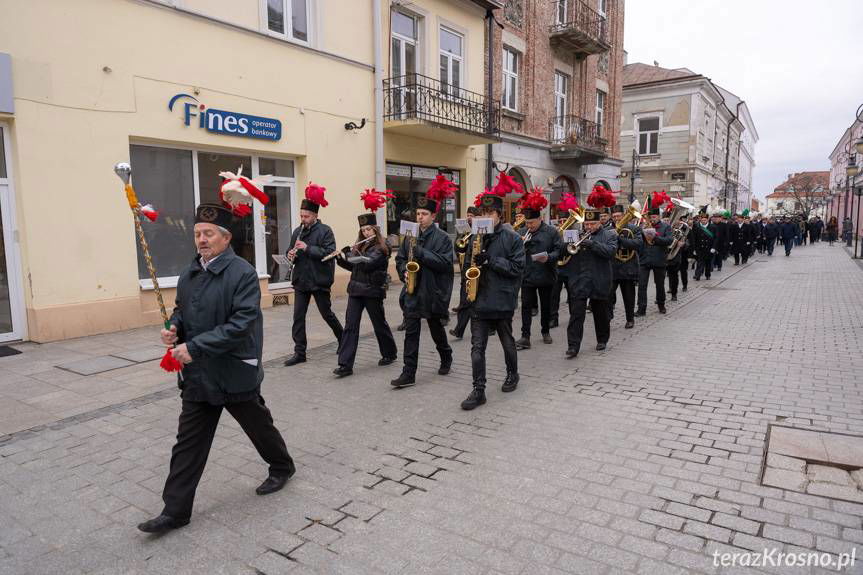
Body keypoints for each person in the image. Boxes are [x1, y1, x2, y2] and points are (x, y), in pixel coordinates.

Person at [138, 203, 295, 534]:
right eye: (197, 233)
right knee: (188, 443)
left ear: (225, 238)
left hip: (233, 371)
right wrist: (174, 328)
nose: (201, 239)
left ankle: (281, 466)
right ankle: (175, 511)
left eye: (208, 233)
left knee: (258, 426)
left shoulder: (242, 273)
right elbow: (182, 310)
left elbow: (241, 324)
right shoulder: (191, 271)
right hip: (198, 376)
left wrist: (193, 347)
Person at [460, 189, 525, 410]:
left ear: (499, 215)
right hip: (479, 299)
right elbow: (467, 267)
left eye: (490, 212)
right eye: (482, 212)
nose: (485, 216)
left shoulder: (513, 238)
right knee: (477, 347)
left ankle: (512, 374)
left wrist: (491, 260)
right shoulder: (475, 236)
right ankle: (479, 390)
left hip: (502, 299)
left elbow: (517, 268)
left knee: (507, 341)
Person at [391, 175, 455, 388]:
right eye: (417, 213)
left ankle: (446, 356)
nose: (419, 217)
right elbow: (400, 258)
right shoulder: (409, 235)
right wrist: (403, 272)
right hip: (413, 291)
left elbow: (445, 264)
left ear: (433, 216)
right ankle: (408, 373)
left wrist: (421, 252)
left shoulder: (444, 238)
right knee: (411, 333)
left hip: (433, 292)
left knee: (436, 329)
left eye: (424, 214)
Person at [333, 190, 398, 377]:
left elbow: (368, 264)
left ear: (375, 230)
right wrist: (341, 258)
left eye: (369, 229)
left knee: (379, 323)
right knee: (350, 326)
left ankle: (389, 352)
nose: (365, 232)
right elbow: (354, 268)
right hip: (356, 289)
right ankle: (345, 365)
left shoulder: (382, 247)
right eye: (363, 230)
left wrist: (354, 255)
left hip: (372, 290)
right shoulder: (359, 245)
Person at [283, 183, 344, 367]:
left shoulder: (325, 231)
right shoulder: (297, 231)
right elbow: (289, 251)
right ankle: (299, 352)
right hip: (301, 279)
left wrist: (308, 248)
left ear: (315, 215)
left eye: (306, 216)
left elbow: (329, 253)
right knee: (298, 317)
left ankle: (343, 338)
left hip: (319, 279)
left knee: (327, 314)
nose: (303, 219)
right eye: (301, 216)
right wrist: (289, 254)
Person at [562, 208, 617, 358]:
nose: (589, 227)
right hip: (580, 280)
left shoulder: (609, 235)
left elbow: (610, 252)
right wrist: (566, 242)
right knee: (576, 315)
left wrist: (592, 245)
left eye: (593, 224)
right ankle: (573, 346)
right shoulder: (576, 234)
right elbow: (564, 251)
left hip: (599, 279)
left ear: (600, 222)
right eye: (586, 224)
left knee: (601, 314)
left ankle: (602, 339)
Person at [515, 188, 562, 350]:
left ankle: (545, 331)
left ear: (540, 219)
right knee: (526, 306)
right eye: (527, 223)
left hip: (546, 274)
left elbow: (559, 251)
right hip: (527, 275)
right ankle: (525, 335)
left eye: (532, 223)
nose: (529, 226)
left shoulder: (551, 232)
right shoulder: (521, 232)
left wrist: (549, 257)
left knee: (546, 306)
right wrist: (520, 245)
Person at [637, 194, 673, 316]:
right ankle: (641, 309)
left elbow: (669, 241)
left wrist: (655, 237)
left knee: (660, 285)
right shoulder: (644, 226)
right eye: (651, 216)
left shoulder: (666, 227)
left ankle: (661, 305)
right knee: (642, 285)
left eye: (654, 216)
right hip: (645, 260)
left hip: (659, 260)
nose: (652, 219)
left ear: (659, 216)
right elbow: (639, 242)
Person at [609, 203, 643, 329]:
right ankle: (608, 316)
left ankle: (630, 319)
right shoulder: (608, 230)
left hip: (628, 267)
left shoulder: (634, 229)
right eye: (614, 216)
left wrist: (620, 239)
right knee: (608, 295)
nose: (617, 218)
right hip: (613, 267)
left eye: (618, 216)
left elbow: (638, 244)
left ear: (624, 215)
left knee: (628, 297)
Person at [549, 194, 580, 329]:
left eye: (565, 220)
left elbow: (572, 249)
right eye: (560, 220)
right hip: (557, 267)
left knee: (572, 295)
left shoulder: (574, 232)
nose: (562, 223)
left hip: (571, 267)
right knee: (554, 295)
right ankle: (553, 318)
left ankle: (574, 317)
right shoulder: (554, 232)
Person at [451, 207, 480, 339]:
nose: (469, 217)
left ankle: (489, 327)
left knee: (473, 303)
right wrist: (462, 237)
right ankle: (459, 330)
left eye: (472, 215)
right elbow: (457, 246)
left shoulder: (481, 231)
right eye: (468, 215)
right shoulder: (464, 230)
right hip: (466, 270)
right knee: (464, 301)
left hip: (478, 271)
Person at [666, 213, 690, 301]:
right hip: (663, 255)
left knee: (674, 275)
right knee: (663, 276)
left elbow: (687, 243)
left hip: (675, 255)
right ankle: (662, 294)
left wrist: (683, 244)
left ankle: (674, 293)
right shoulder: (665, 229)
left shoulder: (682, 229)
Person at [691, 210, 717, 281]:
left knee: (708, 263)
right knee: (699, 262)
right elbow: (694, 239)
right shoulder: (696, 227)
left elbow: (715, 238)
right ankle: (697, 275)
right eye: (702, 220)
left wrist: (713, 247)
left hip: (709, 248)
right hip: (700, 248)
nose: (703, 221)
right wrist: (694, 249)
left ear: (707, 219)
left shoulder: (713, 227)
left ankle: (707, 275)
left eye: (705, 220)